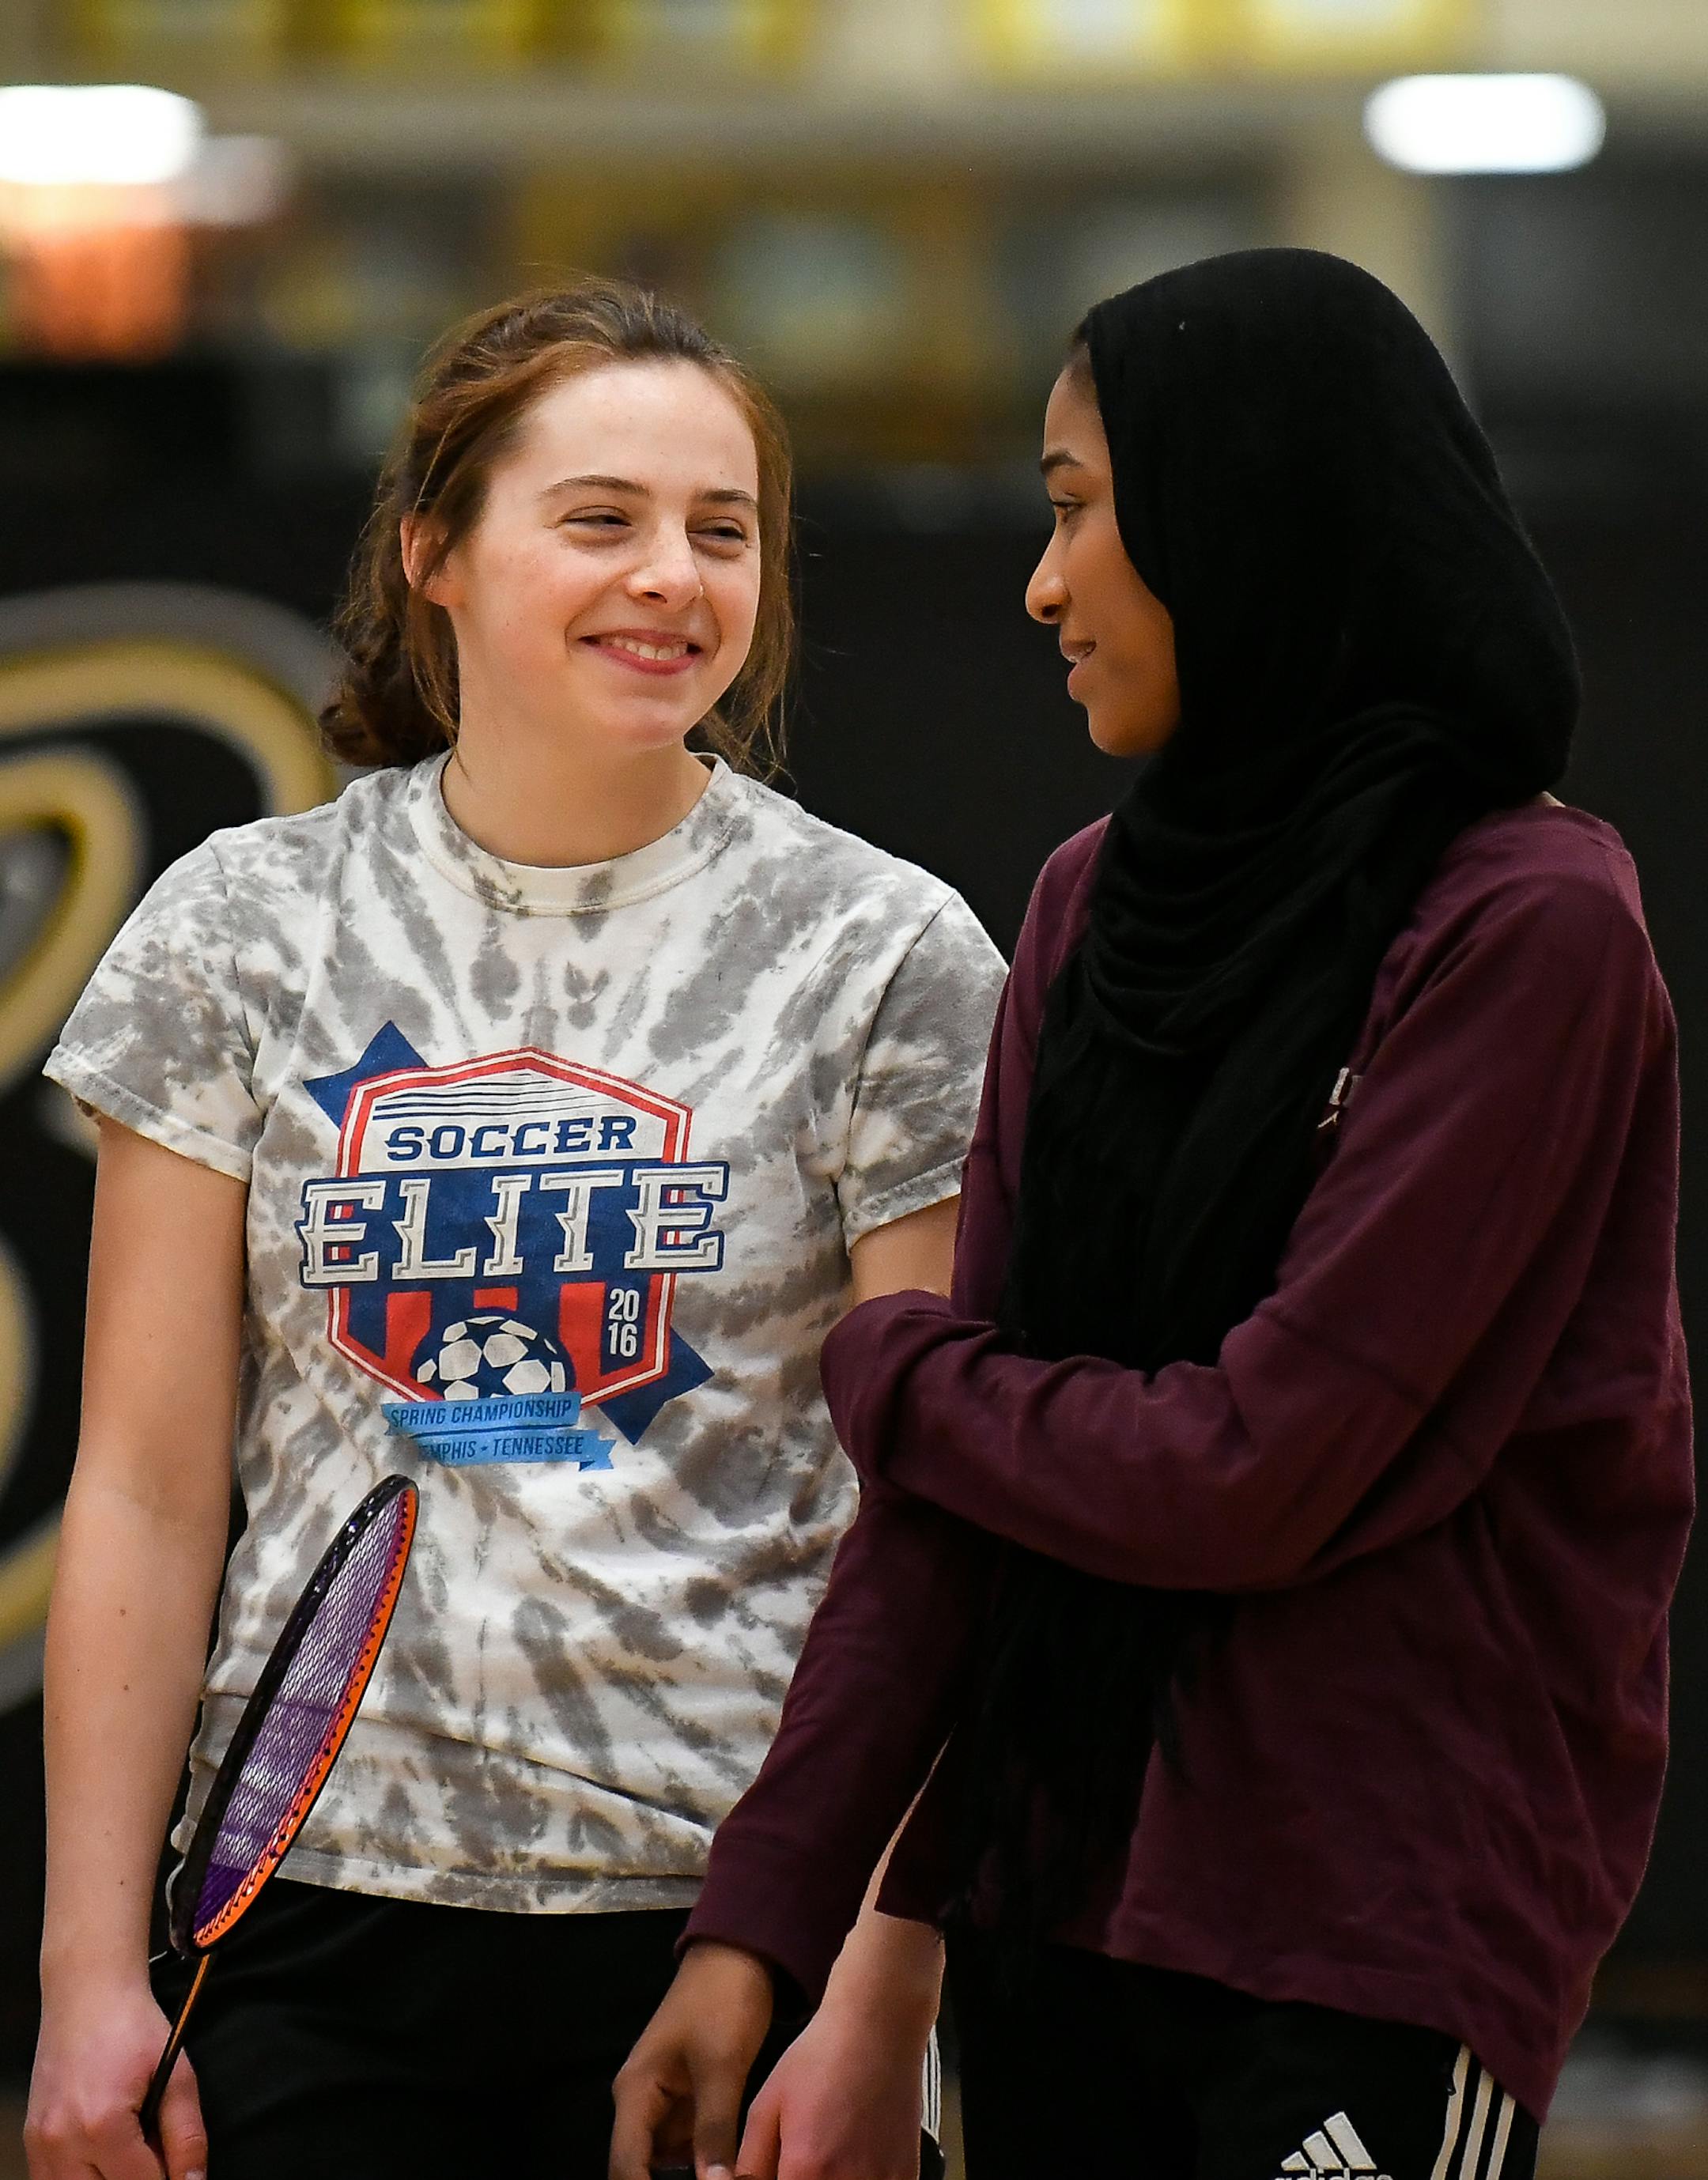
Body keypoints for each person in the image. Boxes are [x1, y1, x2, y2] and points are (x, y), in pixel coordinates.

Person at [614, 250, 1694, 2180]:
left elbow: (1261, 1465)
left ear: (1247, 512)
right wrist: (762, 1918)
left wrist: (894, 1364)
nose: (1041, 582)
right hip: (1053, 1897)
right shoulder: (1088, 905)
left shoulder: (1532, 925)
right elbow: (952, 1514)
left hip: (1376, 1937)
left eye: (1079, 508)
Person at [25, 278, 1005, 2180]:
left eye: (723, 530)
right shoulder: (243, 924)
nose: (673, 577)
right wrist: (83, 1974)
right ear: (434, 553)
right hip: (310, 1908)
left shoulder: (886, 951)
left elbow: (941, 1526)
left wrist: (888, 1995)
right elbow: (143, 1491)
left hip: (731, 1919)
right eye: (601, 517)